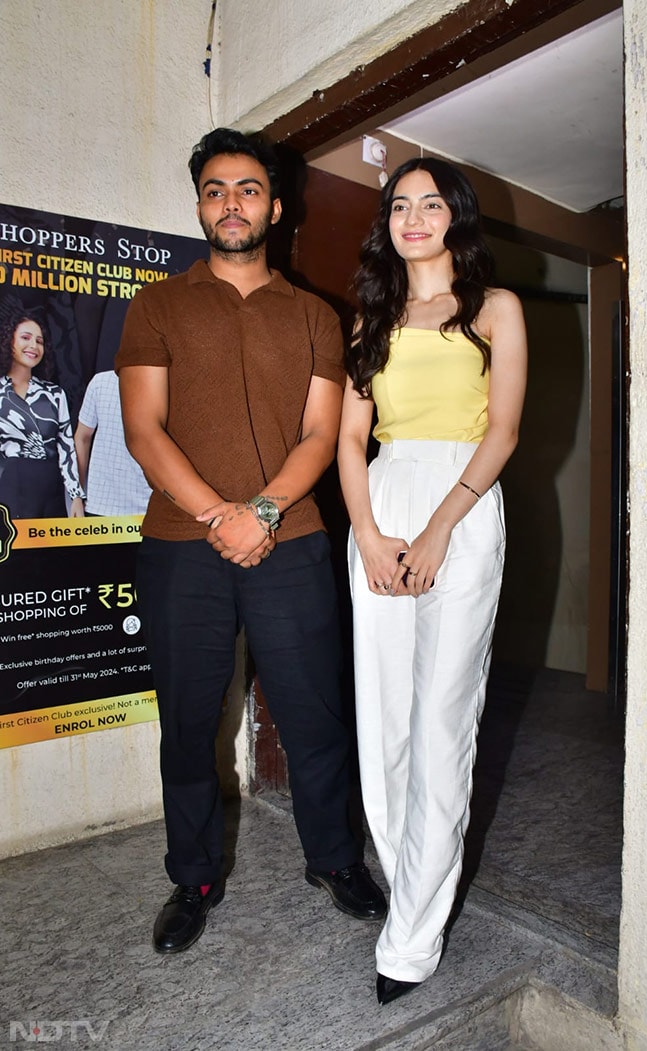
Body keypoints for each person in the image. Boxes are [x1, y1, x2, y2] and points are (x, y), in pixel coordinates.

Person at [115, 128, 386, 956]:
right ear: (200, 204)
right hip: (179, 545)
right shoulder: (158, 305)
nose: (231, 203)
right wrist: (218, 516)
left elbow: (319, 432)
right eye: (214, 189)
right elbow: (143, 430)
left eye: (247, 189)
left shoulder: (314, 316)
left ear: (276, 203)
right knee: (189, 724)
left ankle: (334, 859)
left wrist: (261, 513)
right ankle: (193, 877)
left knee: (314, 716)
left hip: (293, 540)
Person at [338, 157, 527, 1004]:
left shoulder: (496, 308)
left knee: (444, 717)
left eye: (431, 202)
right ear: (389, 221)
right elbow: (350, 438)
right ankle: (405, 881)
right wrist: (371, 536)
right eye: (400, 203)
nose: (415, 215)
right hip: (380, 502)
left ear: (456, 215)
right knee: (384, 720)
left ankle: (411, 935)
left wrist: (440, 527)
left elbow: (507, 430)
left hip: (463, 504)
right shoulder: (368, 315)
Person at [0, 305, 84, 519]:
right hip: (7, 488)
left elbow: (66, 446)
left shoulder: (54, 394)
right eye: (26, 338)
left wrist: (75, 496)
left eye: (39, 341)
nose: (33, 346)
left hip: (50, 491)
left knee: (49, 552)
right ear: (10, 340)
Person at [75, 370, 151, 516]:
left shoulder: (168, 386)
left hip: (152, 508)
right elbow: (82, 437)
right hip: (101, 506)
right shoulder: (100, 382)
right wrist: (77, 495)